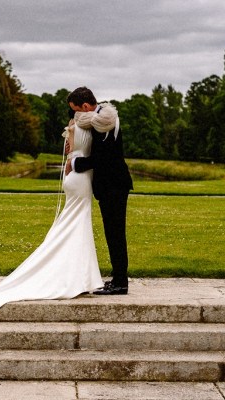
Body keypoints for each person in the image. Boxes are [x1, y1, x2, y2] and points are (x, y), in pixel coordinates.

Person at [0, 111, 104, 310]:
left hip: (74, 175)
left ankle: (79, 276)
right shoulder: (91, 123)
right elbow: (83, 150)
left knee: (74, 224)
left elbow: (69, 150)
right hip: (81, 177)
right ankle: (79, 278)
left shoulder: (75, 124)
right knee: (79, 224)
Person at [65, 87, 133, 295]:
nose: (76, 115)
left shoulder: (103, 122)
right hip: (111, 184)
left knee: (115, 233)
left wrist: (75, 163)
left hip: (113, 184)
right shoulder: (102, 116)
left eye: (76, 110)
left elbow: (102, 159)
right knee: (113, 232)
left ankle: (120, 282)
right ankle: (118, 278)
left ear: (85, 106)